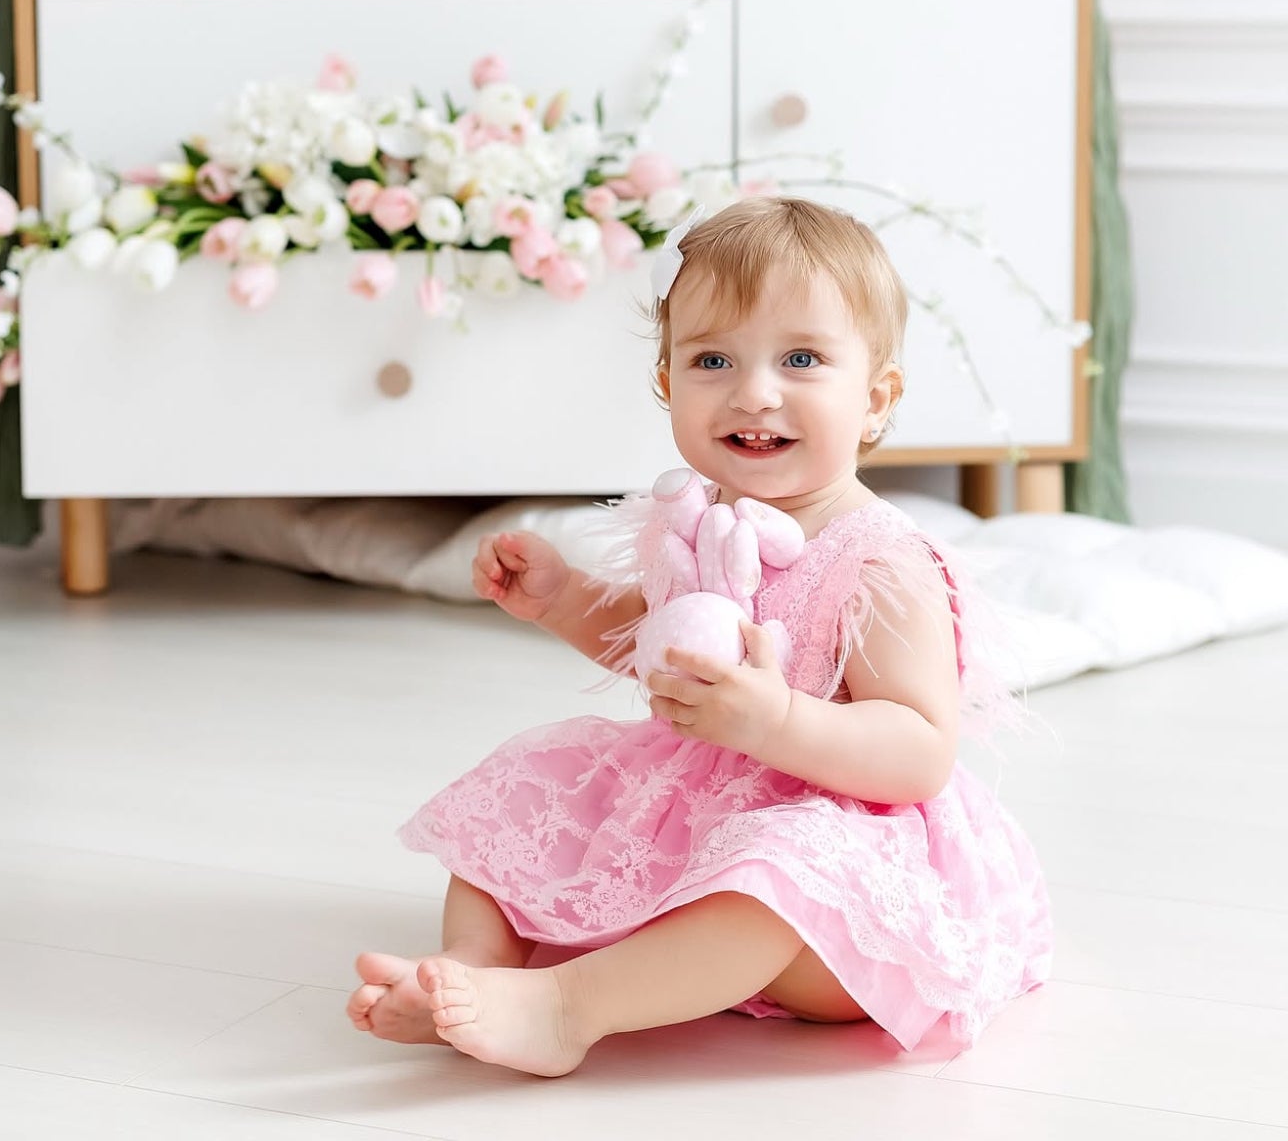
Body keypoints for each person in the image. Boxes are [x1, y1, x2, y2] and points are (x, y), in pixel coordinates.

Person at [346, 196, 1051, 1077]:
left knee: (772, 873)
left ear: (875, 399)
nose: (755, 391)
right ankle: (473, 971)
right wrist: (564, 600)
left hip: (842, 875)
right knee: (535, 783)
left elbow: (918, 755)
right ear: (668, 385)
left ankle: (570, 1006)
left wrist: (777, 724)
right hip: (704, 805)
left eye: (802, 359)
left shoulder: (882, 565)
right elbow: (660, 644)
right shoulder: (696, 523)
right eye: (713, 359)